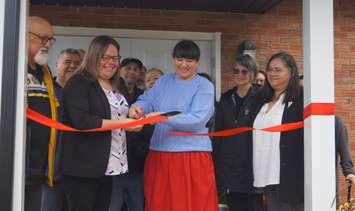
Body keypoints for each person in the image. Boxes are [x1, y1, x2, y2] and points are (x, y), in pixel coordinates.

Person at [129, 40, 218, 211]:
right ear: (173, 59)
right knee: (159, 204)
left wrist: (163, 117)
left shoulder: (204, 85)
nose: (184, 65)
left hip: (191, 155)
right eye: (179, 59)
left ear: (197, 62)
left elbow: (197, 119)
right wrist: (137, 108)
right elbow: (147, 100)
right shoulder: (164, 81)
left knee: (192, 205)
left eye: (189, 61)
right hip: (159, 153)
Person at [60, 35, 142, 211]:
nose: (111, 62)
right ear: (94, 56)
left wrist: (132, 113)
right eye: (105, 57)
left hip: (110, 167)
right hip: (83, 168)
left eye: (115, 58)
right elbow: (82, 122)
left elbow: (116, 113)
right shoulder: (79, 81)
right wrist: (123, 123)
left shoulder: (116, 83)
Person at [252, 52, 304, 210]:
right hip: (265, 173)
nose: (272, 73)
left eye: (278, 69)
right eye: (270, 69)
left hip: (288, 175)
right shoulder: (260, 98)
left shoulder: (301, 98)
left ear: (291, 71)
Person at [214, 54, 263, 211]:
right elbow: (218, 132)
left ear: (253, 73)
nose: (240, 75)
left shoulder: (262, 96)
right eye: (236, 71)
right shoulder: (226, 98)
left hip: (253, 163)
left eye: (244, 71)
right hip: (229, 165)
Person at [41, 48, 81, 211]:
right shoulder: (45, 91)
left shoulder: (84, 94)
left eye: (77, 63)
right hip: (51, 170)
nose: (72, 66)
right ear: (56, 65)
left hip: (79, 171)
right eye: (67, 62)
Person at [26, 16, 57, 211]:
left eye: (50, 40)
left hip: (39, 166)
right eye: (42, 38)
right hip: (17, 162)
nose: (47, 44)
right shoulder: (10, 67)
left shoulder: (45, 73)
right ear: (25, 36)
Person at [110, 58, 146, 211]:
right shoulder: (111, 92)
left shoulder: (144, 97)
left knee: (136, 205)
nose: (131, 72)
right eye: (128, 68)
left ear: (140, 74)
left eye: (135, 69)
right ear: (120, 69)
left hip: (137, 163)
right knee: (112, 205)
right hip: (114, 162)